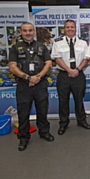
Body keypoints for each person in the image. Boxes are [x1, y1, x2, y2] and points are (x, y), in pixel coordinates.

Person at [9, 22, 54, 151]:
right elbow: (12, 66)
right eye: (25, 31)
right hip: (24, 85)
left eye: (30, 30)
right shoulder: (15, 48)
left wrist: (38, 77)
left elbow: (48, 63)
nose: (28, 33)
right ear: (21, 32)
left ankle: (44, 132)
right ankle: (23, 137)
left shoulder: (42, 46)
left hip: (40, 84)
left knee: (42, 110)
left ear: (34, 31)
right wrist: (28, 78)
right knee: (23, 113)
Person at [51, 20, 90, 135]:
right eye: (67, 27)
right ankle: (63, 123)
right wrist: (69, 70)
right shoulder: (57, 43)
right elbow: (57, 58)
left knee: (79, 99)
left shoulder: (83, 43)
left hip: (78, 74)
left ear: (75, 29)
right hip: (64, 75)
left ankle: (81, 121)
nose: (70, 29)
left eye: (72, 27)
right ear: (64, 29)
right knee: (63, 101)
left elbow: (86, 58)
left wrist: (77, 70)